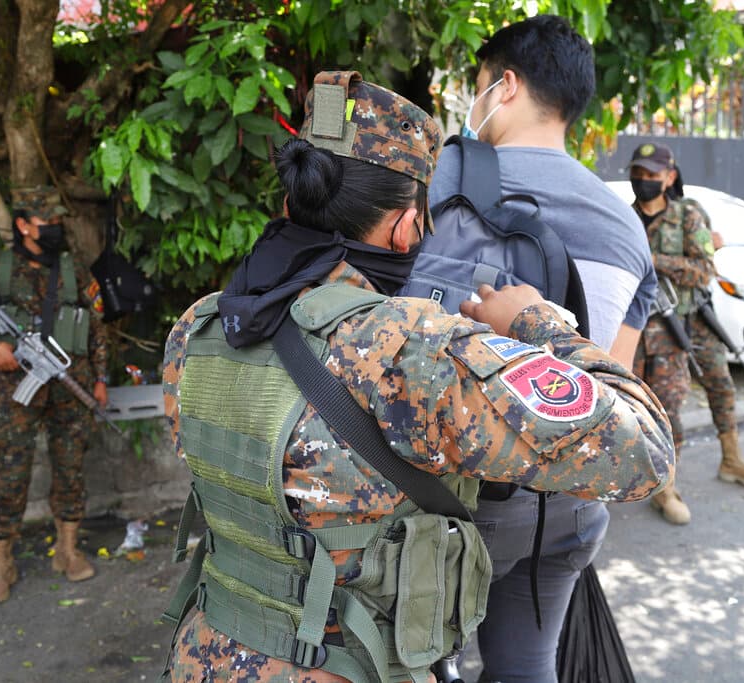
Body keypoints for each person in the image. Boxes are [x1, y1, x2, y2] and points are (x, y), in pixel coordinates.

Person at [160, 71, 674, 683]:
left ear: (290, 203)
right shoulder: (412, 349)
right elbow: (644, 450)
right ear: (406, 227)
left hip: (203, 657)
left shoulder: (198, 327)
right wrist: (536, 321)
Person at [420, 16, 657, 681]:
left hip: (451, 508)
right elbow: (616, 380)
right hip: (572, 506)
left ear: (505, 86)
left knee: (419, 661)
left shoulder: (435, 181)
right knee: (527, 665)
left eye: (478, 84)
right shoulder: (627, 228)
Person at [0, 187, 109, 604]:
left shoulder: (74, 270)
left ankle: (68, 550)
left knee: (71, 468)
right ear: (24, 225)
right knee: (10, 474)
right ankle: (1, 564)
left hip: (70, 386)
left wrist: (100, 379)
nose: (56, 228)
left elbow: (97, 328)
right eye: (47, 222)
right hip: (16, 392)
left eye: (59, 221)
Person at [666, 170, 744, 490]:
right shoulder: (638, 215)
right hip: (659, 320)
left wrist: (705, 248)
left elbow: (707, 259)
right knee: (667, 399)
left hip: (696, 313)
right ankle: (665, 482)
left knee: (721, 385)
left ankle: (732, 459)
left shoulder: (692, 209)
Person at [628, 143, 715, 524]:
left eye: (652, 174)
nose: (644, 180)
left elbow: (705, 271)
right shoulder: (624, 217)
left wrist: (655, 261)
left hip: (669, 333)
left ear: (669, 177)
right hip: (630, 332)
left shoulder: (687, 217)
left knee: (668, 412)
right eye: (638, 173)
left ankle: (666, 488)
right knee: (626, 409)